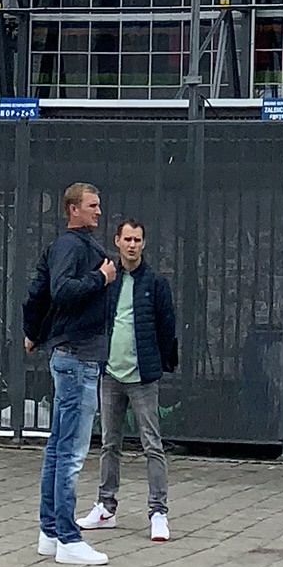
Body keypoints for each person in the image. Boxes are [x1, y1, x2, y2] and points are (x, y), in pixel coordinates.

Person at [78, 219, 187, 544]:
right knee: (109, 443)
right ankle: (106, 506)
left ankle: (158, 512)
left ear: (144, 244)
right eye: (127, 239)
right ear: (117, 241)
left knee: (151, 444)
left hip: (142, 376)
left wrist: (161, 363)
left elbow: (167, 327)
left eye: (138, 239)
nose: (132, 245)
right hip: (110, 374)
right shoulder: (108, 280)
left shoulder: (155, 282)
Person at [23, 182, 114, 563]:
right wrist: (102, 279)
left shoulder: (70, 248)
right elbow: (60, 290)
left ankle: (50, 532)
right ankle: (68, 538)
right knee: (71, 453)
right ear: (72, 209)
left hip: (72, 354)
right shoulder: (73, 247)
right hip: (78, 357)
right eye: (91, 205)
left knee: (58, 449)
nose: (98, 211)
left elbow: (38, 293)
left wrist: (35, 332)